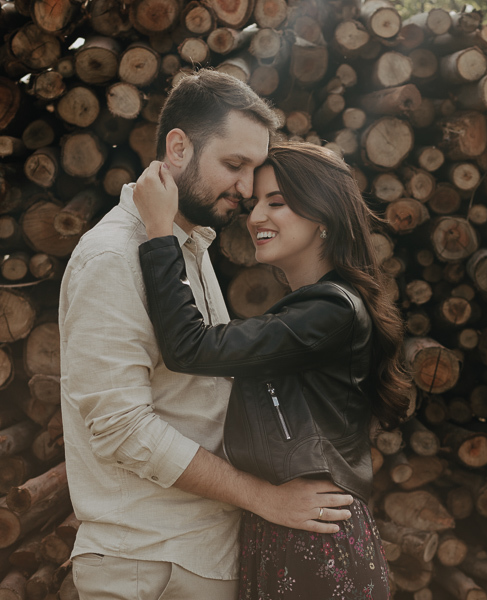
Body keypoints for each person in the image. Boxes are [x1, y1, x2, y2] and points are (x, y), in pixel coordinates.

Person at [59, 70, 353, 600]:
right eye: (233, 165)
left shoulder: (187, 249)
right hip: (148, 563)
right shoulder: (112, 257)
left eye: (253, 169)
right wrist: (264, 498)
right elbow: (122, 427)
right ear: (177, 147)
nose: (246, 190)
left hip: (199, 558)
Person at [131, 141, 410, 599]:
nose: (255, 216)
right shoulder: (310, 310)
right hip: (290, 527)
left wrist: (161, 232)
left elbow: (190, 347)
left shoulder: (330, 311)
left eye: (276, 203)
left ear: (324, 217)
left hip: (316, 541)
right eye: (254, 202)